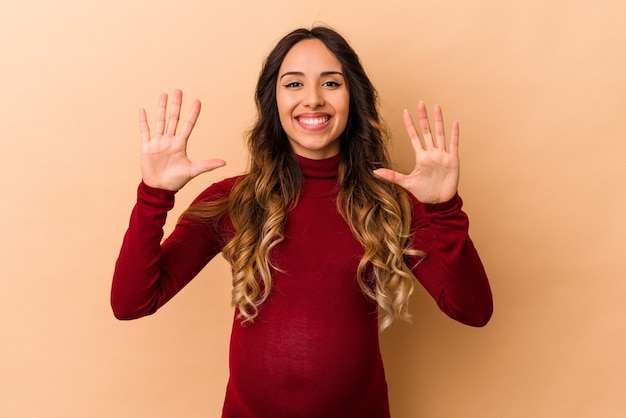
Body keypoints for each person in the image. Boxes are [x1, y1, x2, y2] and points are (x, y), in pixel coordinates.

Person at [111, 26, 493, 418]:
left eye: (331, 82)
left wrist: (444, 209)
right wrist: (153, 194)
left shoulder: (389, 203)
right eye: (293, 83)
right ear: (273, 100)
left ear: (353, 98)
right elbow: (132, 302)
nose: (313, 99)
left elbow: (473, 310)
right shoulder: (233, 200)